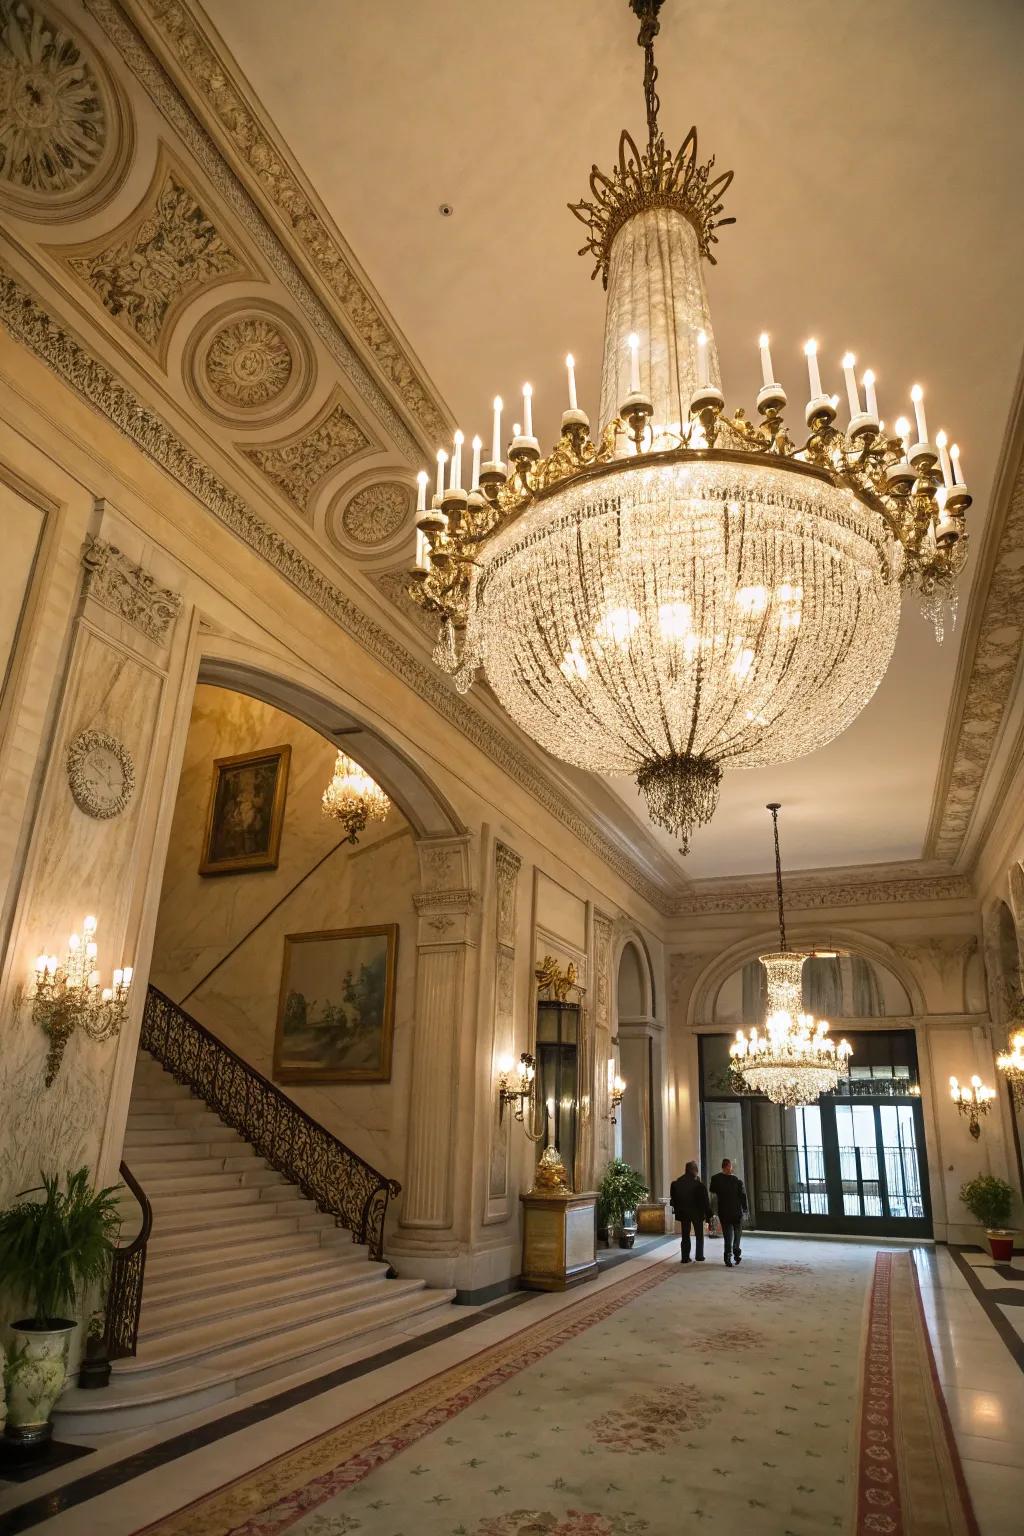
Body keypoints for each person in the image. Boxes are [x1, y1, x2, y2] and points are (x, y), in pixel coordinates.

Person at [669, 1159, 712, 1264]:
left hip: (683, 1213)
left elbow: (673, 1200)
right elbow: (705, 1202)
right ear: (695, 1171)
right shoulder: (699, 1185)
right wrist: (709, 1215)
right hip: (697, 1213)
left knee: (685, 1235)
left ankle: (685, 1257)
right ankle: (699, 1255)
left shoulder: (676, 1183)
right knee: (699, 1235)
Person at [709, 1157, 748, 1267]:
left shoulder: (715, 1179)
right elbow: (742, 1196)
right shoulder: (737, 1181)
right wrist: (745, 1209)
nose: (732, 1169)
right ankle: (736, 1252)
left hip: (724, 1212)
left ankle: (727, 1257)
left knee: (727, 1236)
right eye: (731, 1166)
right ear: (728, 1167)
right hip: (736, 1212)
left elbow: (712, 1190)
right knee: (737, 1234)